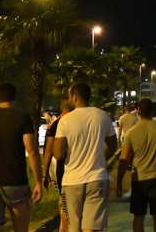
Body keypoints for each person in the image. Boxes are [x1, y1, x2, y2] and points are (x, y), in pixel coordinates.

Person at [0, 83, 42, 232]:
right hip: (15, 182)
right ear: (14, 98)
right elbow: (32, 151)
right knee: (21, 229)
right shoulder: (22, 118)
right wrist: (38, 181)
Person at [54, 83, 118, 232]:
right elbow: (113, 146)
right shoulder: (102, 116)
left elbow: (58, 154)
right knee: (92, 227)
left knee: (73, 227)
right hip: (97, 178)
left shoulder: (65, 120)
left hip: (71, 181)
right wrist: (100, 158)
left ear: (74, 97)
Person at [118, 98, 156, 232]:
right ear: (153, 111)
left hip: (139, 180)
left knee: (138, 217)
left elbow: (124, 159)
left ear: (138, 111)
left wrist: (119, 182)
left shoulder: (131, 133)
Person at [43, 98, 75, 232]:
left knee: (63, 202)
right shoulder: (71, 122)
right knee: (67, 206)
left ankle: (63, 227)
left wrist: (45, 173)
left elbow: (48, 150)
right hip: (66, 168)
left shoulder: (55, 123)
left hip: (56, 168)